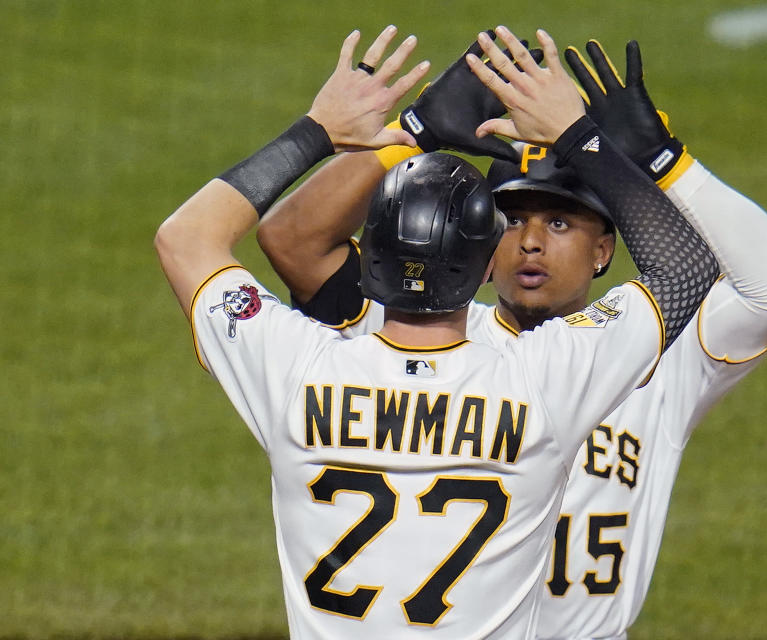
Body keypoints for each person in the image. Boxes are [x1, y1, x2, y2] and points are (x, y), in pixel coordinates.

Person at [155, 25, 718, 640]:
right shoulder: (542, 378)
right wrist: (580, 138)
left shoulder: (295, 368)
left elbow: (186, 238)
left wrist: (325, 130)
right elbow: (687, 263)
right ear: (484, 265)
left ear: (367, 263)